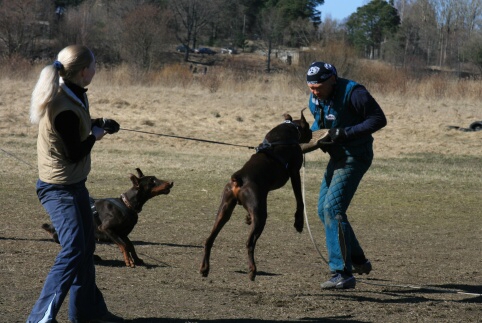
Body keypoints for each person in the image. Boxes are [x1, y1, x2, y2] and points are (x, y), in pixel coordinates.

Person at [27, 45, 124, 323]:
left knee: (85, 245)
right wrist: (95, 135)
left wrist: (100, 123)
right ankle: (39, 319)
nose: (96, 69)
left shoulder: (72, 93)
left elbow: (75, 128)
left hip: (74, 186)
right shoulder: (64, 104)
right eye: (94, 65)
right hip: (59, 189)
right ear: (84, 71)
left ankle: (87, 312)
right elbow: (74, 152)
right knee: (74, 249)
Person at [304, 61, 387, 289]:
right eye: (310, 87)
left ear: (332, 79)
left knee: (333, 209)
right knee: (324, 210)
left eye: (318, 87)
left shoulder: (355, 93)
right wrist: (300, 138)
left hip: (356, 156)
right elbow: (319, 125)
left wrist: (345, 133)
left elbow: (379, 119)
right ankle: (358, 259)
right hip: (337, 157)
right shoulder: (315, 98)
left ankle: (342, 273)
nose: (314, 91)